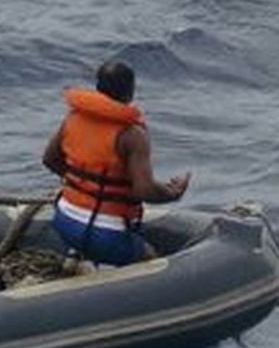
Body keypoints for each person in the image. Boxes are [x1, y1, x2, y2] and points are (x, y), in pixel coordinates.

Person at [42, 60, 189, 265]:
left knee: (93, 240)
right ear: (130, 91)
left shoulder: (73, 117)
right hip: (105, 234)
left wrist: (84, 185)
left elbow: (49, 159)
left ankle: (77, 258)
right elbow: (144, 190)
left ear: (98, 87)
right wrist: (173, 193)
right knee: (149, 259)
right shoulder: (132, 134)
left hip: (64, 220)